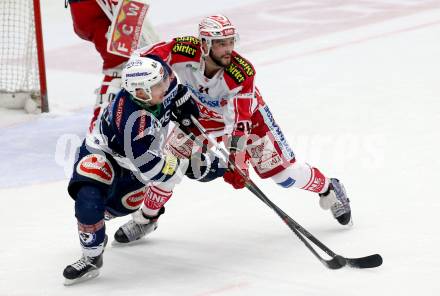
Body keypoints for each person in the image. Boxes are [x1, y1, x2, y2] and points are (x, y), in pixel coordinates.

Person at [113, 15, 352, 243]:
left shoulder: (241, 73)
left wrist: (237, 163)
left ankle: (329, 187)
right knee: (168, 164)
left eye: (230, 42)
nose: (228, 49)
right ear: (205, 44)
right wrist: (141, 67)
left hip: (251, 121)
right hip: (200, 117)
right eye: (221, 44)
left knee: (283, 175)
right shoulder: (186, 49)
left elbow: (240, 123)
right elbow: (150, 56)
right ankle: (146, 219)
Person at [62, 54, 222, 285]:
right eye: (158, 87)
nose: (165, 88)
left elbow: (176, 88)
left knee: (116, 209)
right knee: (90, 202)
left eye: (162, 82)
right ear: (140, 93)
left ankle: (146, 219)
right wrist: (189, 166)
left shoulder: (157, 76)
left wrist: (187, 111)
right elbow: (153, 169)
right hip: (108, 153)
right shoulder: (133, 120)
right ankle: (91, 257)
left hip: (141, 157)